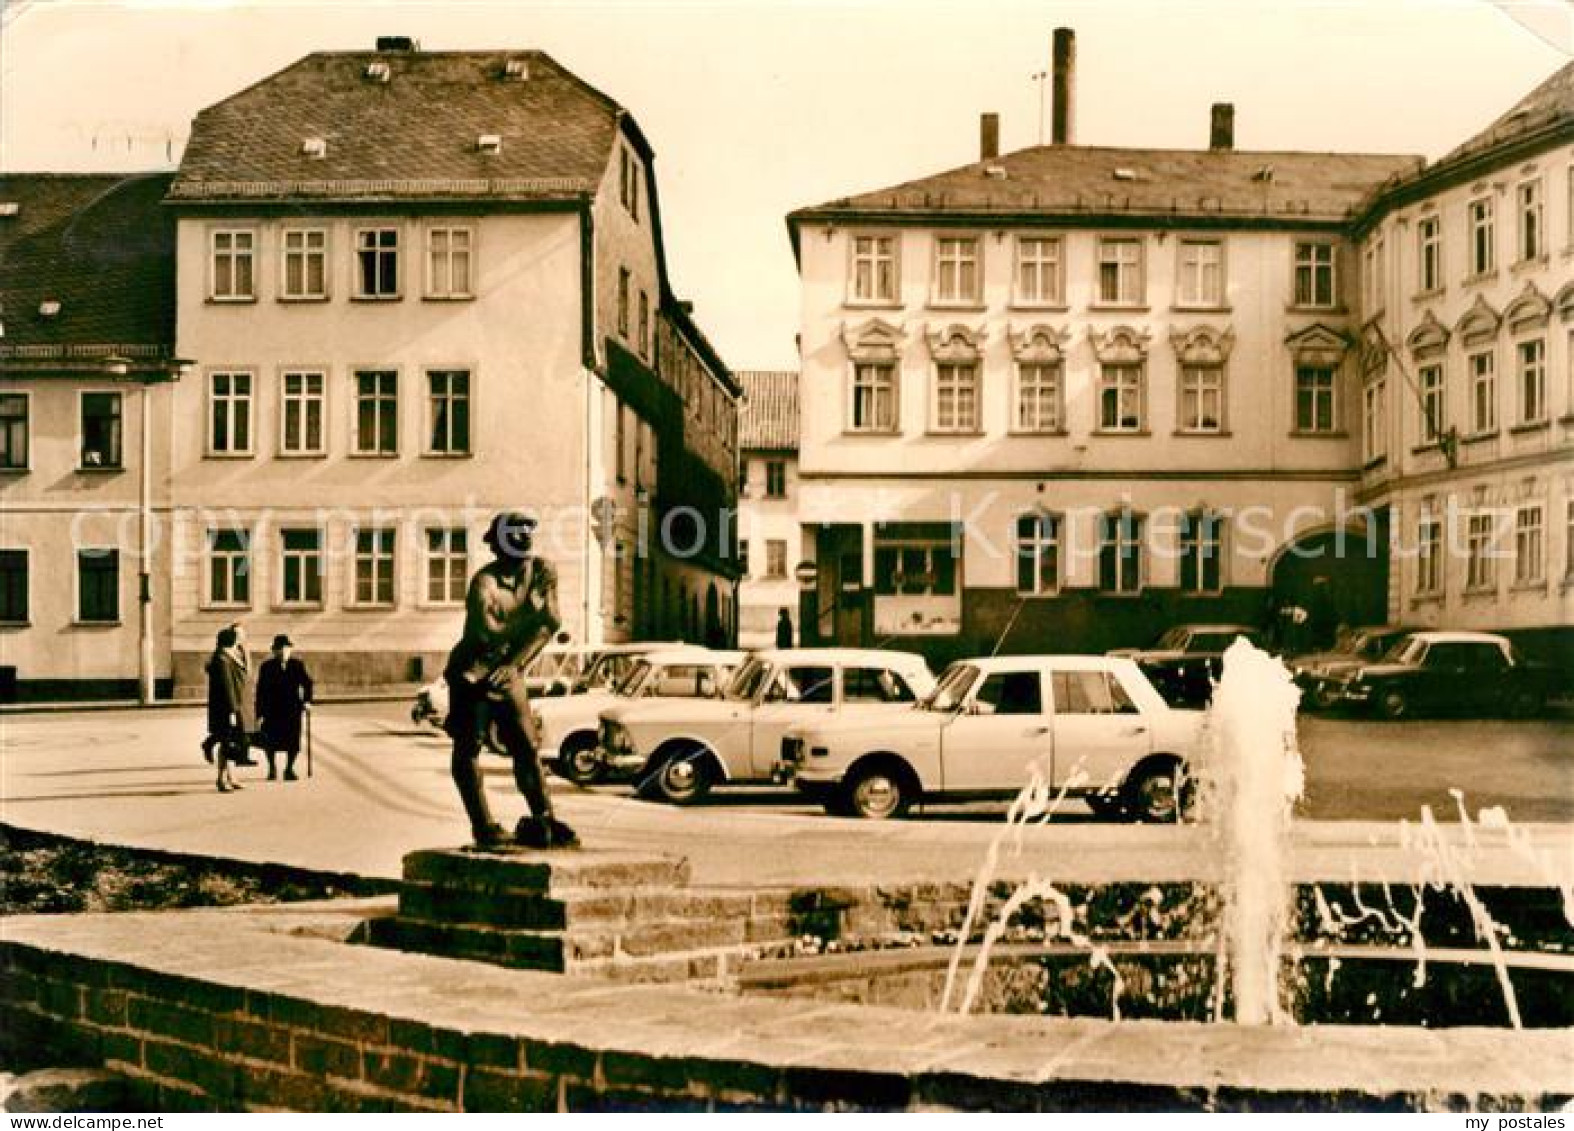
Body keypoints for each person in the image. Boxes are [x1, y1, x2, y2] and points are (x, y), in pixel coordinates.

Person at [443, 511, 577, 849]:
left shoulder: (543, 571)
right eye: (513, 532)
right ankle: (483, 826)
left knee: (527, 746)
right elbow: (488, 634)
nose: (522, 537)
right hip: (473, 671)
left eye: (526, 530)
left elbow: (550, 624)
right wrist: (528, 625)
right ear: (498, 544)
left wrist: (516, 664)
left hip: (509, 668)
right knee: (469, 746)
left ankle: (543, 816)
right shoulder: (483, 584)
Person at [256, 634, 314, 781]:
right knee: (270, 741)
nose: (283, 652)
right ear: (274, 651)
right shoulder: (267, 667)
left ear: (290, 649)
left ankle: (289, 769)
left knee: (293, 740)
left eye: (286, 648)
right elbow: (260, 690)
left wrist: (307, 701)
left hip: (292, 709)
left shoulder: (297, 665)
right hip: (272, 710)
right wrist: (260, 713)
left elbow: (307, 683)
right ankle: (272, 768)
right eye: (279, 649)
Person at [206, 624, 250, 793]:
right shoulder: (223, 660)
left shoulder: (224, 657)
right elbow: (228, 688)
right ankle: (221, 779)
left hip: (228, 707)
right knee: (226, 745)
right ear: (231, 641)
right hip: (226, 709)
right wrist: (232, 711)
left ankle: (230, 777)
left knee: (229, 743)